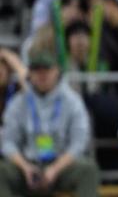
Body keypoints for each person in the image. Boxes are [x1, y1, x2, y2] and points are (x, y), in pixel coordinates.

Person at [0, 50, 99, 197]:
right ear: (30, 74)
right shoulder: (18, 102)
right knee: (2, 171)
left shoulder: (73, 101)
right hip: (28, 164)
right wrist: (25, 167)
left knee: (88, 169)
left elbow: (79, 142)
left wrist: (55, 169)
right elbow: (7, 142)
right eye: (37, 70)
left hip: (62, 164)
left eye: (46, 69)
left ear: (57, 71)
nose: (42, 75)